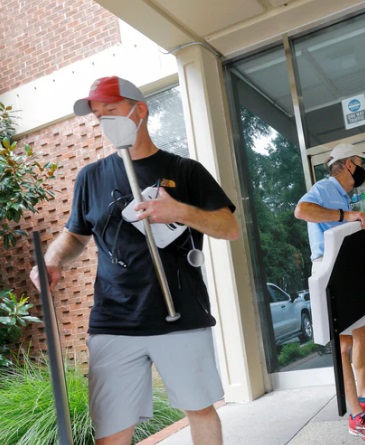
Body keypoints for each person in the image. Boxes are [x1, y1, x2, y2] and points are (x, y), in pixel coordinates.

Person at [29, 76, 239, 445]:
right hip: (113, 320)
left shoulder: (185, 171)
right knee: (110, 429)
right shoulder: (91, 177)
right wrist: (53, 259)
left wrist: (180, 211)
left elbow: (228, 227)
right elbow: (76, 235)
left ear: (139, 111)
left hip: (181, 314)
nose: (105, 121)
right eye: (98, 116)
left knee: (200, 409)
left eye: (111, 111)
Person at [294, 143, 365, 442]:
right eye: (361, 162)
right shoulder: (326, 187)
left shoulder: (342, 195)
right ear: (349, 164)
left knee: (363, 334)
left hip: (347, 269)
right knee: (342, 346)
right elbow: (301, 210)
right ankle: (356, 416)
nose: (363, 167)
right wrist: (346, 215)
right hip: (330, 270)